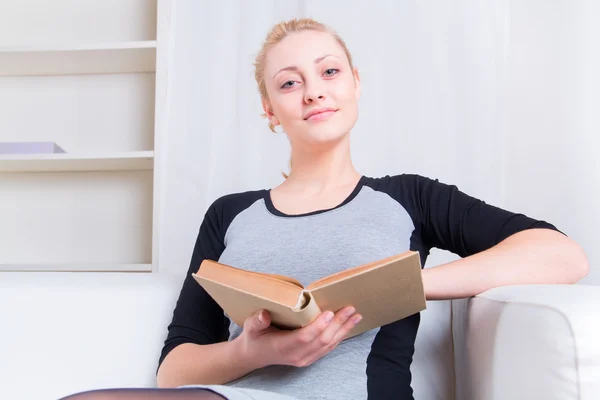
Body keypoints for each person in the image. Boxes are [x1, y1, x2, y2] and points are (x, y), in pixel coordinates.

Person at [62, 17, 589, 400]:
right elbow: (173, 372)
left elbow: (562, 257)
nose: (314, 92)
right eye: (290, 82)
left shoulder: (409, 197)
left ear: (355, 83)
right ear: (271, 109)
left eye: (329, 72)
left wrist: (400, 284)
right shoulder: (228, 214)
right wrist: (254, 354)